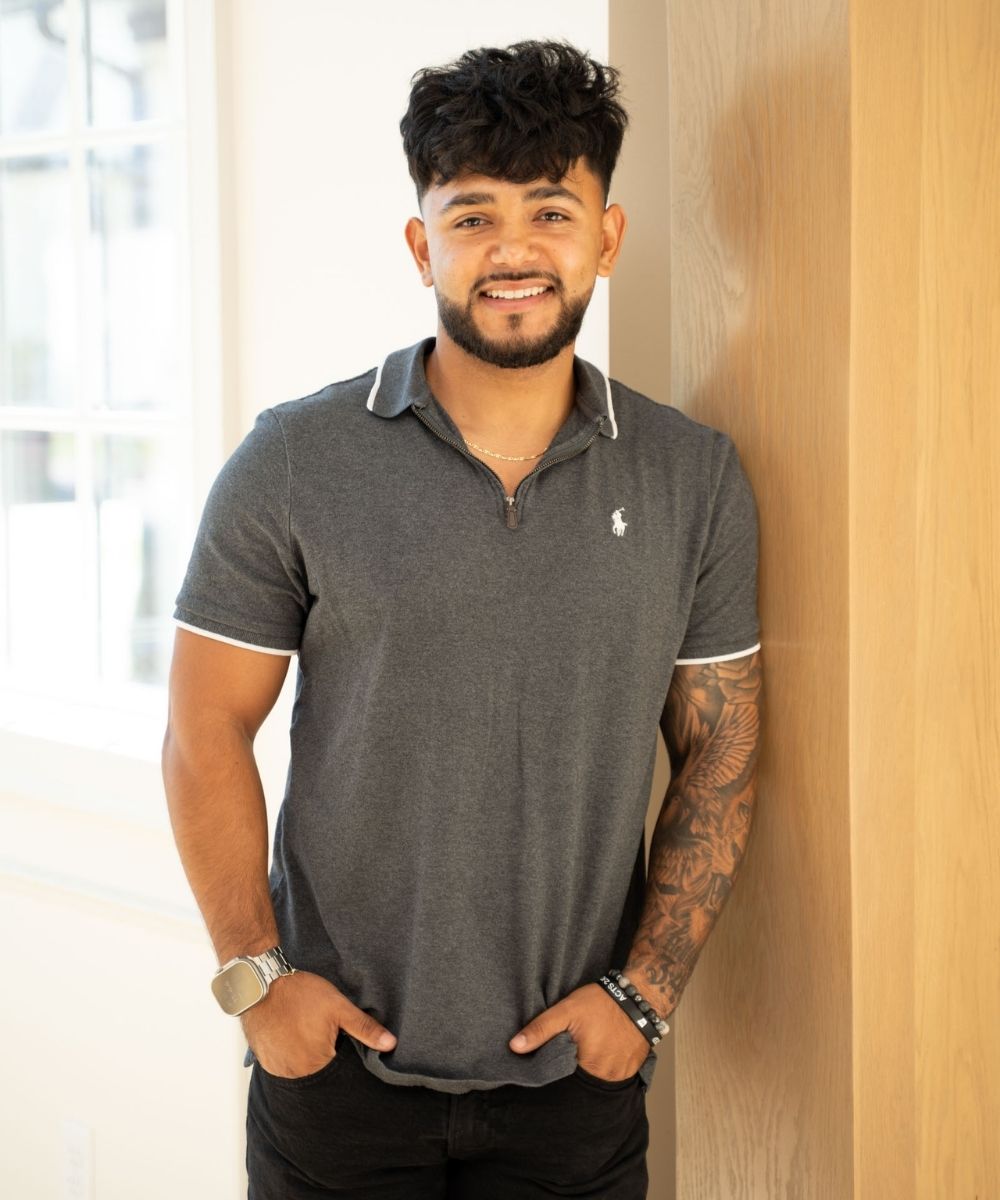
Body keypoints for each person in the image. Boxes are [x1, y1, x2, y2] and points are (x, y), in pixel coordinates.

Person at [162, 38, 763, 1200]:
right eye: (472, 217)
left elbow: (722, 750)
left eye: (550, 210)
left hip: (573, 1097)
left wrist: (645, 996)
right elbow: (203, 729)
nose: (514, 252)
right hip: (335, 1079)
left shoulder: (695, 478)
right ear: (419, 242)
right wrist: (255, 978)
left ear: (607, 235)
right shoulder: (295, 460)